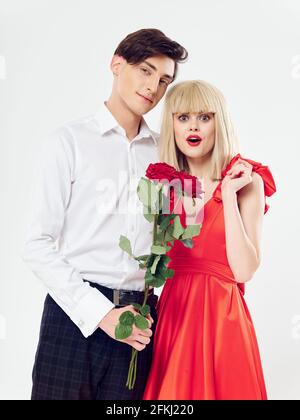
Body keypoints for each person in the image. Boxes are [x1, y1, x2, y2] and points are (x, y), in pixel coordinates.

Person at [22, 28, 188, 400]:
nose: (153, 88)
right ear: (116, 65)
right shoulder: (67, 142)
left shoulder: (165, 154)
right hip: (73, 317)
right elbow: (36, 243)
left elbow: (178, 233)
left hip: (141, 319)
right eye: (145, 71)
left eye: (164, 80)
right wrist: (101, 314)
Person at [143, 80, 277, 400]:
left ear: (220, 123)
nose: (194, 127)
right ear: (171, 124)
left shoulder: (248, 181)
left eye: (205, 117)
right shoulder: (161, 186)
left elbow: (243, 271)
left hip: (223, 325)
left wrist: (228, 196)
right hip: (174, 320)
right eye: (183, 117)